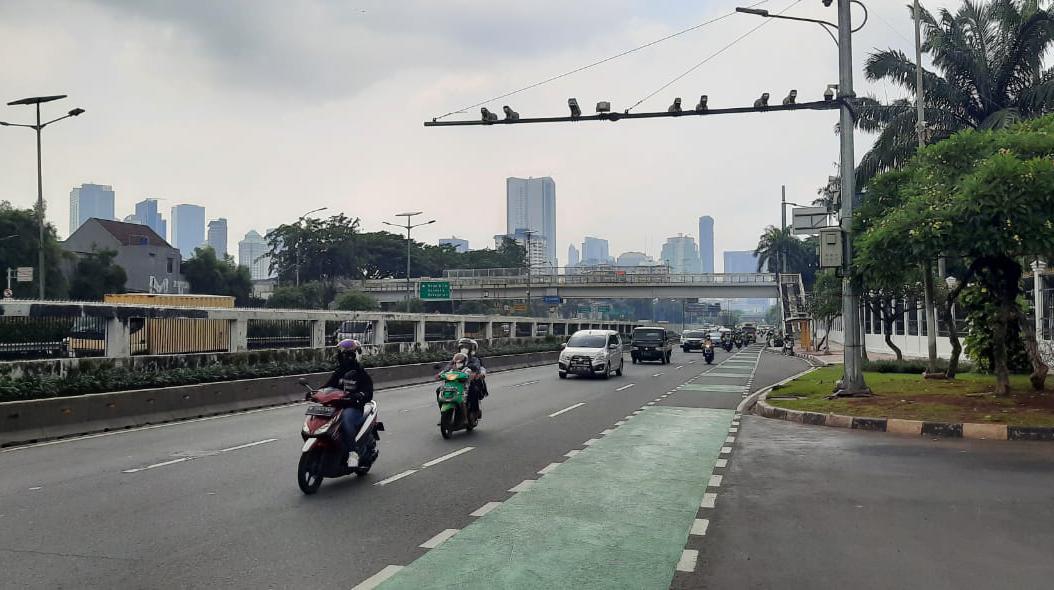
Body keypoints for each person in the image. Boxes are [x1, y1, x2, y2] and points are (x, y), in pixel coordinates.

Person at [324, 339, 374, 464]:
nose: (345, 357)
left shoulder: (361, 374)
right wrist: (314, 393)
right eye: (343, 354)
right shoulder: (339, 372)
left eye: (349, 354)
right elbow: (328, 386)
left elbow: (368, 392)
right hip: (338, 405)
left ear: (355, 356)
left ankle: (353, 453)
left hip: (354, 408)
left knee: (346, 419)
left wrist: (358, 395)